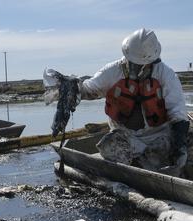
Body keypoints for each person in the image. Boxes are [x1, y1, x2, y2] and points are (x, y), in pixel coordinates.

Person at [79, 28, 189, 177]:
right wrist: (72, 89)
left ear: (152, 60)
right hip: (125, 137)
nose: (138, 67)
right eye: (134, 63)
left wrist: (180, 148)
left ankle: (161, 167)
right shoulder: (112, 71)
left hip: (159, 136)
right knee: (109, 146)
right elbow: (88, 88)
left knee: (179, 148)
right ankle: (136, 168)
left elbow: (178, 114)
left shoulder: (166, 75)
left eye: (143, 64)